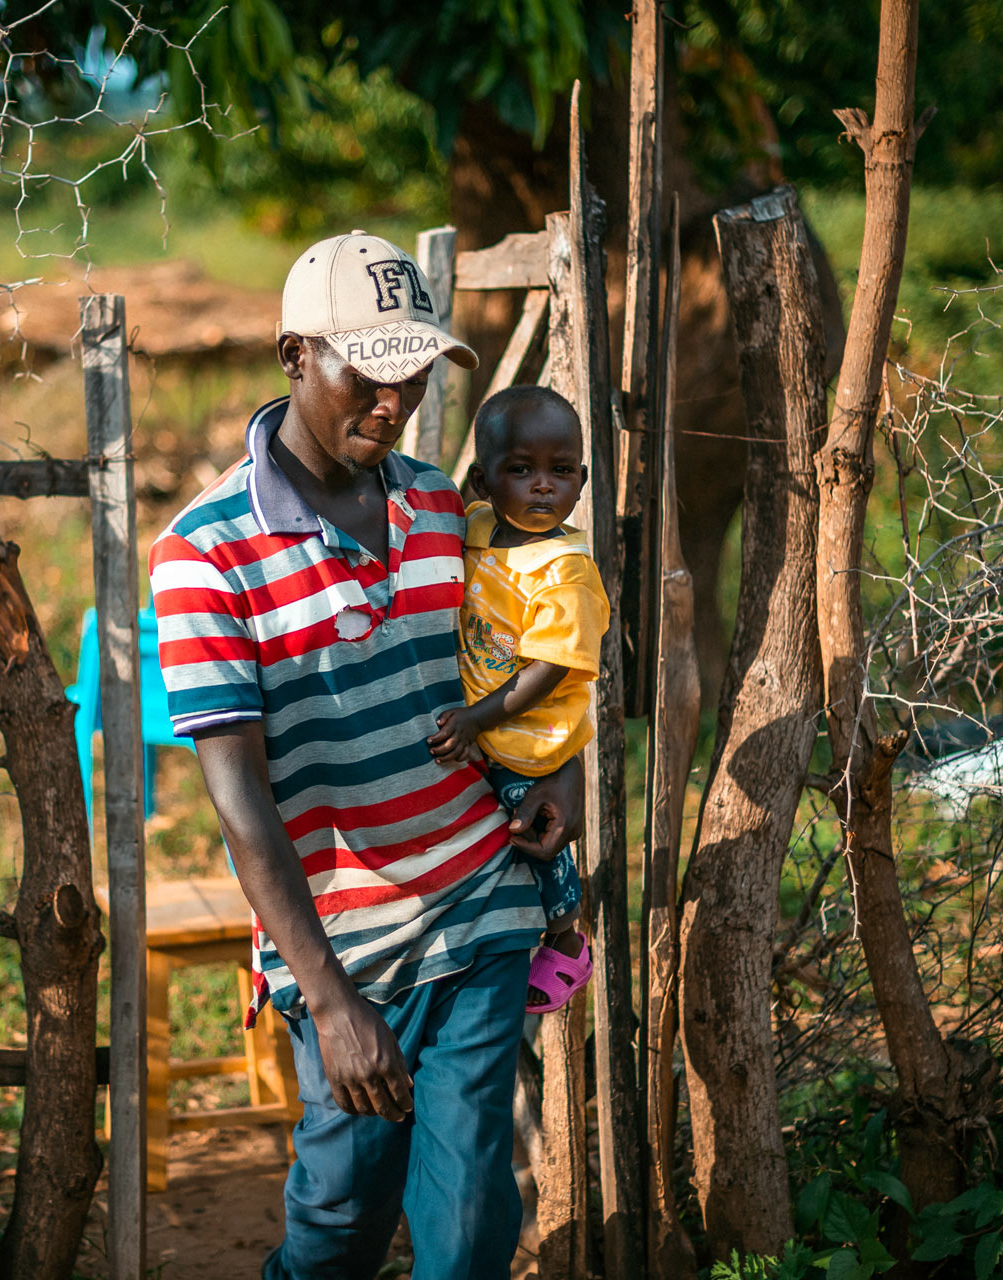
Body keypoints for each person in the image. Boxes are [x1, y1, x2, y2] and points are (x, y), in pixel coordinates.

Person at [149, 230, 586, 1280]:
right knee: (342, 1213)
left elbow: (529, 658)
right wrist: (333, 998)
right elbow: (241, 801)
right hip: (339, 944)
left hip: (478, 896)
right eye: (368, 371)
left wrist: (558, 774)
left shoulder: (443, 504)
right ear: (296, 353)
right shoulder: (205, 552)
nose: (394, 401)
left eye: (415, 371)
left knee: (471, 1205)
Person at [426, 385, 604, 1012]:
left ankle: (565, 934)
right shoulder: (475, 529)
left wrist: (475, 719)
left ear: (581, 481)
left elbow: (551, 668)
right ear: (481, 480)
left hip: (530, 735)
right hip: (486, 722)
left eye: (561, 471)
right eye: (521, 470)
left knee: (529, 826)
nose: (542, 487)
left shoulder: (565, 572)